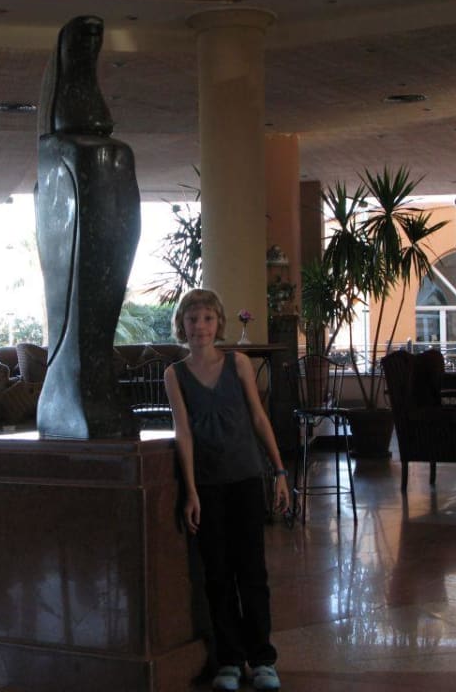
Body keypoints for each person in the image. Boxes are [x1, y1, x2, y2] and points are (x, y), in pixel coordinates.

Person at [164, 288, 290, 692]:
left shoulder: (239, 363)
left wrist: (280, 470)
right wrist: (191, 490)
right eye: (192, 319)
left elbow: (259, 417)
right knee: (216, 575)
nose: (199, 326)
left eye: (207, 318)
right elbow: (183, 433)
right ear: (182, 325)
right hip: (207, 484)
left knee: (251, 572)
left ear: (218, 323)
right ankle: (230, 660)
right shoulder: (175, 374)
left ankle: (263, 659)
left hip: (246, 478)